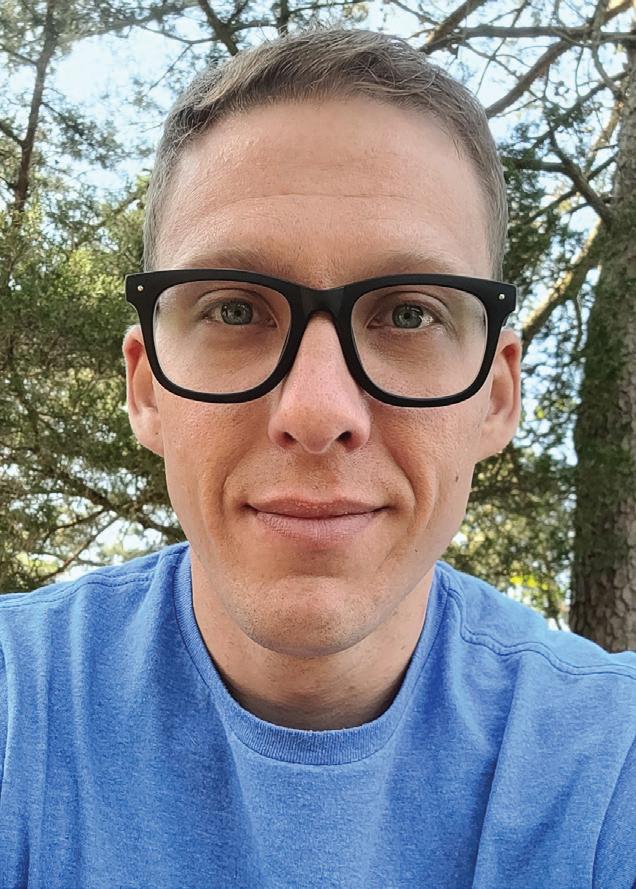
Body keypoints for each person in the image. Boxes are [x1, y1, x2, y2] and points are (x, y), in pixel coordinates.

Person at [0, 23, 634, 889]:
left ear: (496, 395)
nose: (316, 411)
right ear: (146, 388)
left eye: (408, 313)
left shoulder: (609, 761)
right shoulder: (18, 707)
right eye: (234, 309)